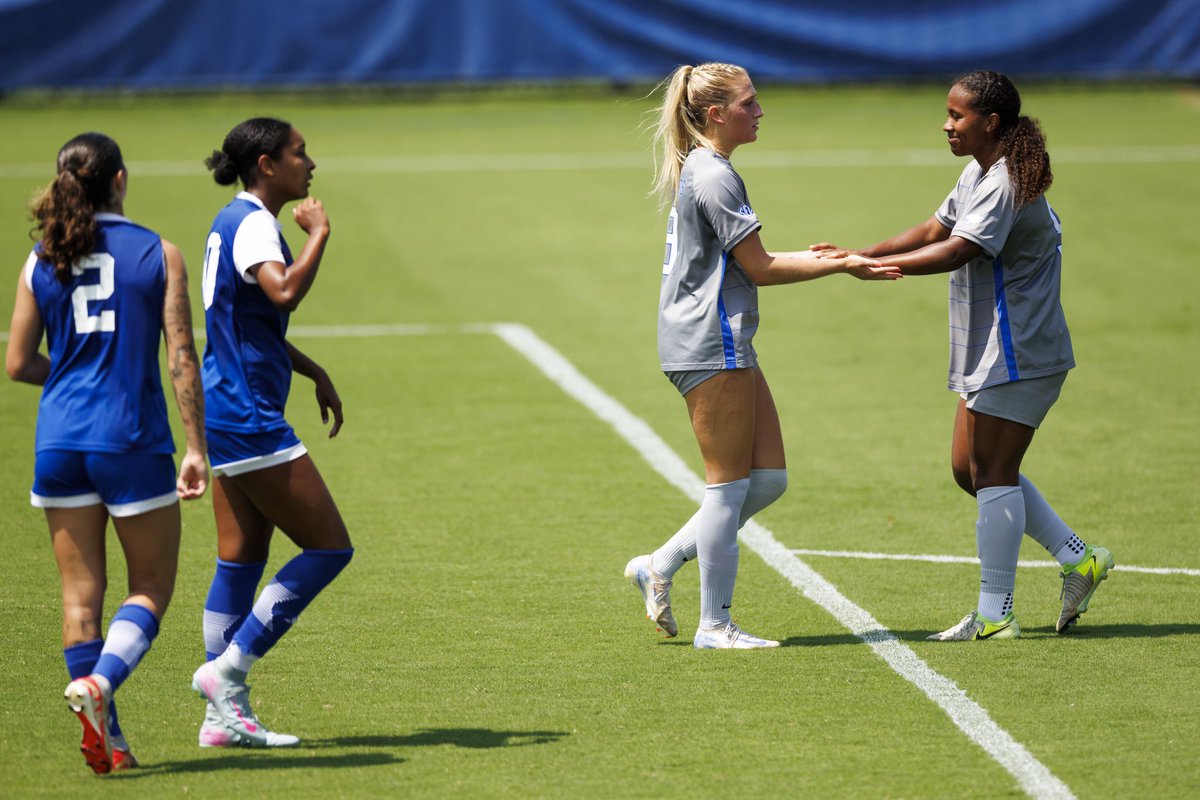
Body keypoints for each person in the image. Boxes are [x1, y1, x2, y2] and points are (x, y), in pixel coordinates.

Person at [813, 70, 1113, 640]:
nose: (946, 124)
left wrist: (878, 269)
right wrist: (859, 251)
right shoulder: (982, 170)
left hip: (1020, 348)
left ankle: (996, 614)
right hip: (993, 347)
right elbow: (936, 225)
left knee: (994, 472)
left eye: (957, 116)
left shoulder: (1004, 183)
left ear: (990, 122)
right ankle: (1080, 558)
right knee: (968, 470)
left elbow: (957, 249)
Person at [624, 63, 902, 649]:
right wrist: (843, 267)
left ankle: (659, 565)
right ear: (716, 114)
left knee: (767, 479)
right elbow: (760, 268)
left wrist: (834, 255)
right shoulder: (714, 175)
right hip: (709, 341)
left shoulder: (707, 167)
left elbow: (751, 256)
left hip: (723, 339)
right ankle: (714, 624)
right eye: (749, 104)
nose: (760, 111)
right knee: (726, 488)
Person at [6, 133, 208, 774]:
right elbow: (181, 355)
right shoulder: (159, 251)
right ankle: (101, 685)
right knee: (149, 587)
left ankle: (112, 745)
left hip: (58, 441)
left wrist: (67, 374)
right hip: (130, 437)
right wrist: (196, 446)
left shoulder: (41, 258)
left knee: (79, 598)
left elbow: (16, 363)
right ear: (120, 179)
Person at [191, 117, 353, 747]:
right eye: (298, 153)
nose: (309, 164)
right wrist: (319, 235)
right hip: (249, 412)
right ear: (266, 164)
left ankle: (221, 720)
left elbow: (245, 321)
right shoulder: (259, 223)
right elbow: (282, 292)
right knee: (329, 549)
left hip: (223, 405)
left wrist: (311, 368)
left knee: (240, 557)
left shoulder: (230, 220)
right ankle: (226, 674)